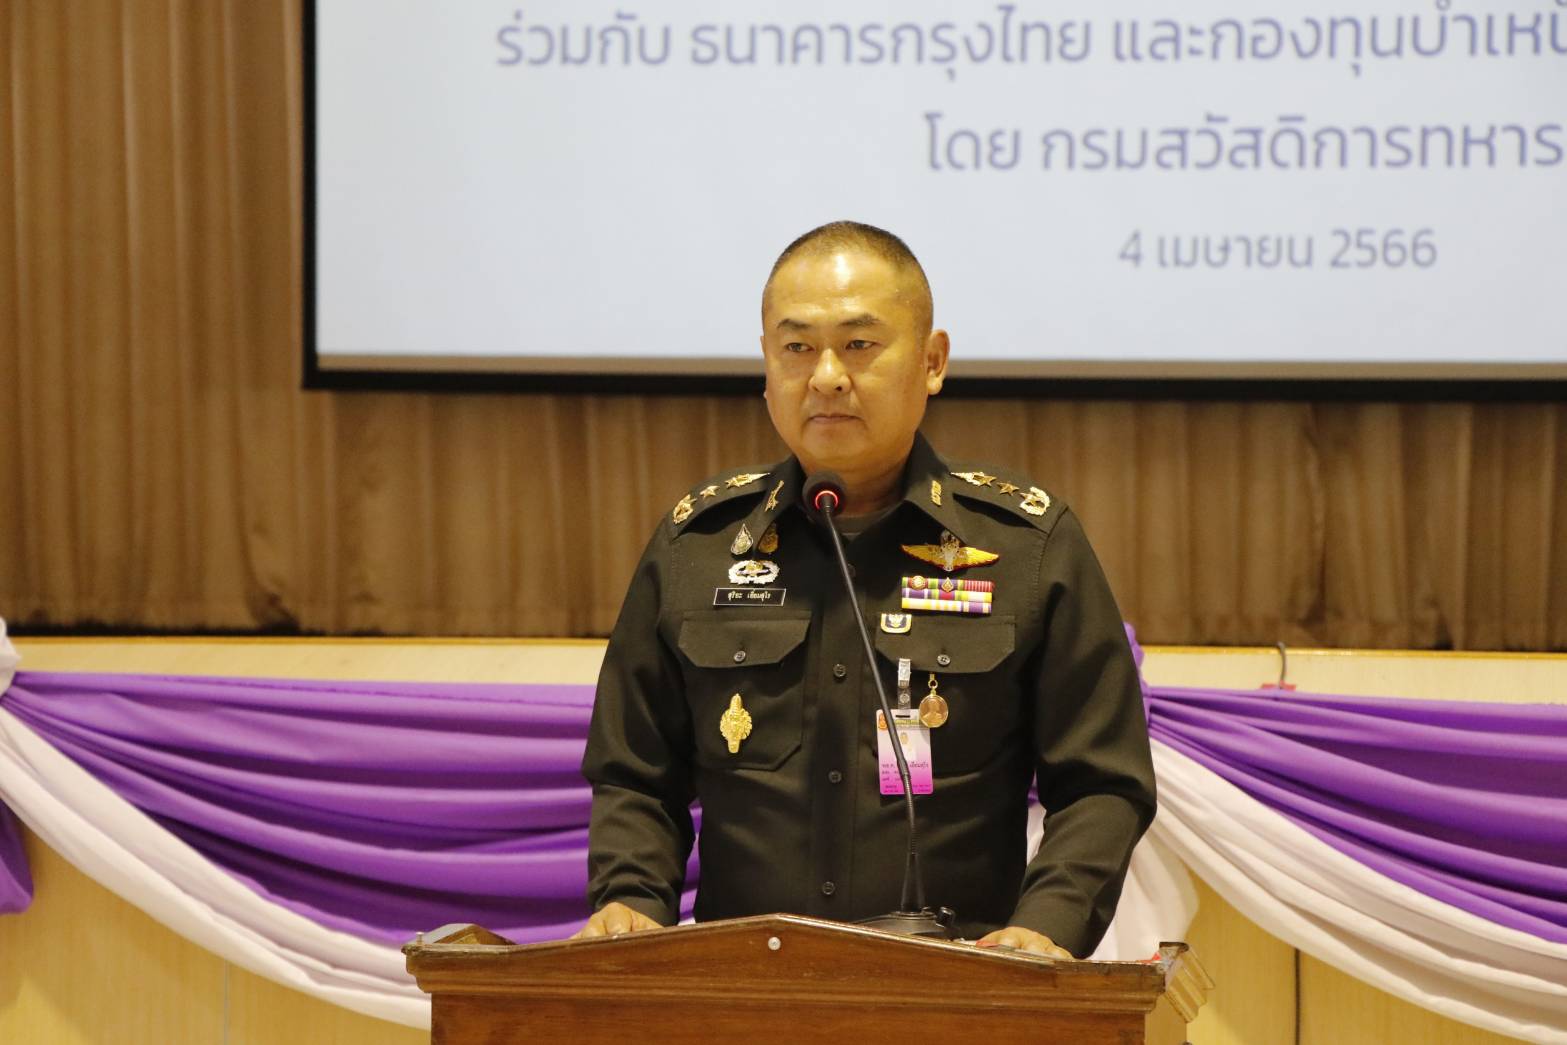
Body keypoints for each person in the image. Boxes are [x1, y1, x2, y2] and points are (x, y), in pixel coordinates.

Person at [575, 221, 1155, 958]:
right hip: (741, 986)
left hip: (960, 982)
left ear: (932, 361)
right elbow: (635, 775)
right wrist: (631, 900)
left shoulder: (1026, 547)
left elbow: (1101, 783)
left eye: (857, 344)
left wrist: (1047, 926)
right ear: (766, 364)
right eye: (796, 348)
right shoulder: (699, 546)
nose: (825, 376)